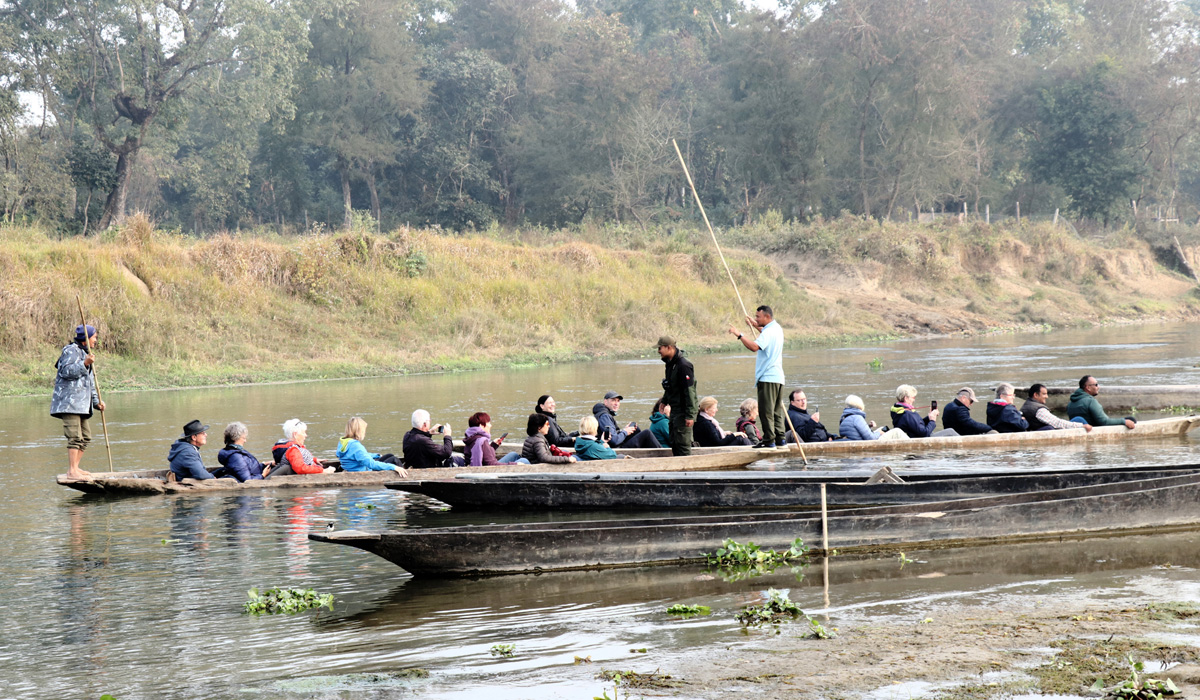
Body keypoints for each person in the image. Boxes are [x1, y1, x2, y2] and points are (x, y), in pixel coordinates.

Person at [51, 324, 105, 480]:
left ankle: (75, 468)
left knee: (85, 437)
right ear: (86, 338)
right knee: (75, 437)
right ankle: (72, 471)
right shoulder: (70, 351)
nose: (96, 340)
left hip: (82, 404)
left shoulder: (85, 353)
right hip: (69, 403)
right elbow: (65, 371)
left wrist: (97, 402)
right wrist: (84, 364)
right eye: (94, 337)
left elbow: (89, 381)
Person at [729, 305, 786, 448]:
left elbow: (754, 347)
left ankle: (769, 441)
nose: (755, 318)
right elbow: (766, 334)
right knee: (776, 411)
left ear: (767, 317)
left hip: (767, 377)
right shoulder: (776, 328)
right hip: (778, 377)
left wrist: (739, 334)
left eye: (758, 317)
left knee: (766, 412)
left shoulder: (768, 332)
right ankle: (780, 439)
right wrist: (755, 326)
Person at [658, 336, 698, 456]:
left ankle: (687, 472)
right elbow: (671, 386)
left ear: (669, 347)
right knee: (674, 442)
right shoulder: (670, 364)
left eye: (660, 348)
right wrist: (664, 401)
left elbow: (690, 392)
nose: (658, 351)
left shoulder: (683, 366)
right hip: (674, 410)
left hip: (683, 411)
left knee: (683, 444)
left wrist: (690, 415)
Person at [593, 392, 662, 449]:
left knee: (635, 430)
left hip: (615, 446)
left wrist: (624, 430)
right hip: (616, 449)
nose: (616, 404)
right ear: (605, 402)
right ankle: (663, 453)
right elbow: (614, 441)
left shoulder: (604, 414)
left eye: (618, 401)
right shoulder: (605, 416)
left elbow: (612, 435)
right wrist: (625, 432)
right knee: (647, 433)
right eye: (613, 400)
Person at [336, 416, 407, 473]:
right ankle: (405, 474)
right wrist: (394, 467)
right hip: (362, 472)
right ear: (359, 431)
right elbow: (371, 464)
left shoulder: (344, 442)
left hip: (356, 468)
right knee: (394, 460)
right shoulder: (356, 446)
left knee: (389, 455)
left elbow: (357, 455)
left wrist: (376, 455)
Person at [269, 419, 333, 476]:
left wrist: (313, 460)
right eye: (303, 432)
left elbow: (299, 459)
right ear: (295, 434)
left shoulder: (295, 447)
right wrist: (322, 471)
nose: (306, 435)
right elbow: (300, 468)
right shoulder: (293, 450)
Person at [1067, 376, 1136, 429]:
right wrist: (1124, 421)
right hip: (1091, 431)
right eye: (1096, 385)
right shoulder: (1090, 401)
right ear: (1088, 388)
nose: (1098, 387)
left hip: (1082, 429)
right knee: (1131, 419)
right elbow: (1104, 422)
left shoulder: (1070, 403)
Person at [463, 412, 530, 466]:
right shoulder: (481, 441)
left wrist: (493, 445)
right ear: (481, 425)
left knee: (513, 454)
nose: (490, 425)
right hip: (488, 472)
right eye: (488, 423)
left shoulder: (472, 438)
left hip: (486, 467)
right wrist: (515, 464)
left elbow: (485, 456)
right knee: (524, 461)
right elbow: (491, 464)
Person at [1022, 383, 1092, 432]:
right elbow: (1057, 423)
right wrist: (1081, 426)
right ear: (1036, 395)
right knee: (1080, 421)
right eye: (1044, 394)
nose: (1047, 396)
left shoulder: (1026, 405)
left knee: (1078, 419)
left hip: (1037, 429)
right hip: (1045, 431)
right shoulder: (1038, 410)